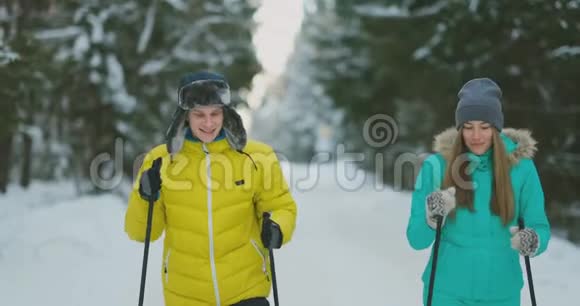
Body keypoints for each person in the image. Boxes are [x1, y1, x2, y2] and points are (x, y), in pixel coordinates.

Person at [125, 71, 297, 306]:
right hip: (186, 295)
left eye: (215, 113)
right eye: (199, 115)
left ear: (226, 113)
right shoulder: (160, 161)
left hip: (246, 291)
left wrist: (277, 227)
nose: (209, 123)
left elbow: (281, 207)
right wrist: (146, 195)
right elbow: (141, 232)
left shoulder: (257, 157)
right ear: (185, 116)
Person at [406, 78, 550, 306]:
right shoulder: (437, 166)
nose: (476, 136)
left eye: (484, 127)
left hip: (501, 293)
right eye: (468, 127)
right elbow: (416, 239)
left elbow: (539, 225)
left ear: (497, 127)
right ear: (459, 127)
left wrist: (533, 240)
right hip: (446, 292)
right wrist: (431, 217)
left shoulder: (521, 168)